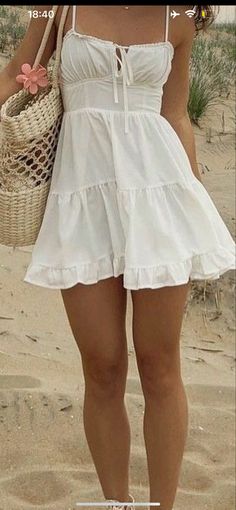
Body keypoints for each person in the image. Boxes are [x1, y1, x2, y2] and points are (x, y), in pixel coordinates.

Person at [0, 5, 235, 510]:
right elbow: (9, 77)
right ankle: (116, 503)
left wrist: (192, 208)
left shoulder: (180, 15)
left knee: (160, 365)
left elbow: (175, 114)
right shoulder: (57, 7)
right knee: (102, 365)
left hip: (159, 200)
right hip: (83, 200)